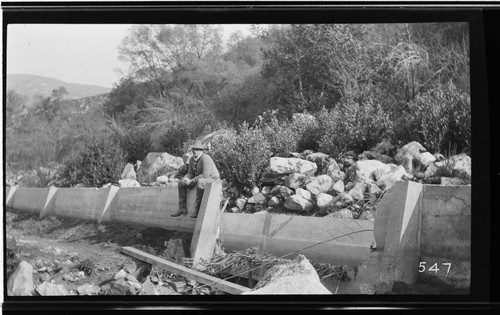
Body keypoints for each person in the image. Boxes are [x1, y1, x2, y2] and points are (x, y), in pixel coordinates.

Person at [171, 140, 220, 218]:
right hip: (201, 178)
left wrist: (192, 181)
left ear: (201, 150)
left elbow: (205, 175)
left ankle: (197, 210)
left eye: (197, 149)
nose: (195, 151)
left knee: (200, 182)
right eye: (193, 149)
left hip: (212, 179)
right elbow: (190, 173)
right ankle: (182, 208)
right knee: (181, 183)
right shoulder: (191, 159)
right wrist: (186, 178)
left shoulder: (205, 158)